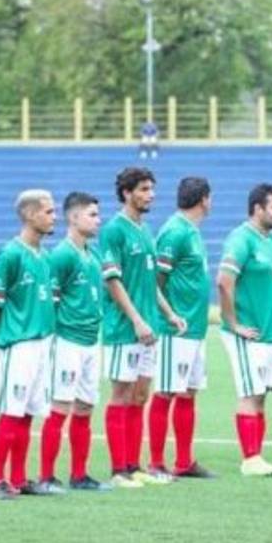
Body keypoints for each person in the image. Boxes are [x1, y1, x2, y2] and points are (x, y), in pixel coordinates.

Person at [100, 167, 185, 488]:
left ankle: (135, 466)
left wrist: (169, 313)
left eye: (152, 188)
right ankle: (118, 469)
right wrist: (136, 320)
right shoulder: (114, 230)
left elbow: (150, 283)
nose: (151, 194)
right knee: (121, 394)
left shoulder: (145, 230)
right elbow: (112, 280)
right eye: (144, 189)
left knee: (139, 396)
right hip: (126, 328)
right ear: (127, 193)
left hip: (151, 328)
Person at [0, 189, 59, 499]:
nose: (54, 217)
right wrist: (2, 337)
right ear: (30, 215)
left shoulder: (43, 256)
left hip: (42, 343)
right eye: (49, 211)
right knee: (11, 412)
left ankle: (18, 477)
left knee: (28, 412)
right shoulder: (11, 254)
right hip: (19, 345)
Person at [39, 192, 112, 491]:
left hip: (91, 341)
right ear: (73, 218)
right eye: (92, 214)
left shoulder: (93, 254)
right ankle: (46, 477)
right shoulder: (62, 255)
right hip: (67, 340)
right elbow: (50, 303)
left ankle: (79, 474)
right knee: (60, 408)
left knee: (85, 408)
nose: (98, 220)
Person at [217, 183, 272, 476]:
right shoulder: (241, 239)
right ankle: (250, 459)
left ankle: (258, 456)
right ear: (258, 209)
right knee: (249, 393)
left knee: (260, 395)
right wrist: (233, 323)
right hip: (248, 333)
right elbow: (224, 281)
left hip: (270, 334)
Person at [150, 177, 215, 479]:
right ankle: (156, 462)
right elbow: (154, 283)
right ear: (204, 199)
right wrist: (171, 315)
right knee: (165, 393)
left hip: (195, 329)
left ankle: (184, 461)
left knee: (189, 393)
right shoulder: (174, 231)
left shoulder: (192, 231)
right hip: (173, 330)